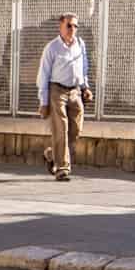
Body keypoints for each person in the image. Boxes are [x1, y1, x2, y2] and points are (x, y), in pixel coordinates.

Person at [37, 13, 93, 182]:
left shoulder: (80, 45)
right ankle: (62, 168)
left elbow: (83, 68)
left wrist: (86, 87)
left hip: (75, 91)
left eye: (75, 26)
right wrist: (44, 102)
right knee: (61, 128)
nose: (72, 29)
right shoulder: (52, 48)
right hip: (57, 91)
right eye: (69, 25)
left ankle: (51, 153)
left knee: (75, 130)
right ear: (60, 27)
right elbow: (43, 75)